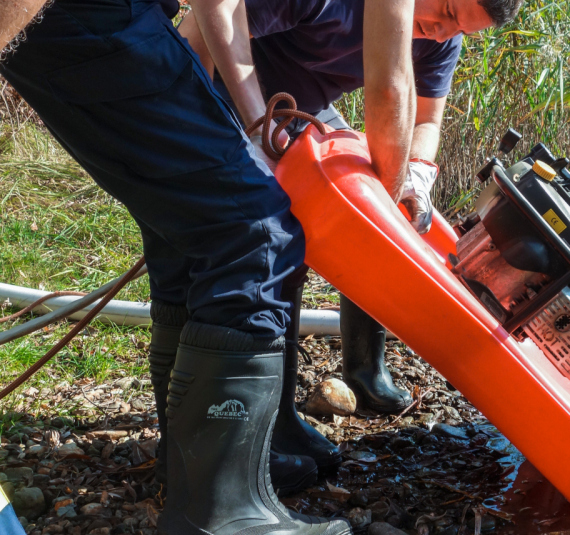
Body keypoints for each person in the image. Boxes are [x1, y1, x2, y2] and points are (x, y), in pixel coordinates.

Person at [0, 0, 354, 533]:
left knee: (187, 231)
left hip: (78, 26)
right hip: (86, 19)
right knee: (253, 233)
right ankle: (224, 511)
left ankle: (198, 468)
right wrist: (255, 123)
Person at [178, 0, 524, 473]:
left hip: (308, 107)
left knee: (383, 215)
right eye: (446, 11)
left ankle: (364, 371)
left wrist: (416, 175)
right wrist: (236, 125)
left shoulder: (442, 37)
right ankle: (271, 413)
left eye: (460, 30)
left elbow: (425, 120)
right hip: (236, 91)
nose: (442, 33)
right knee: (277, 233)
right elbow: (203, 25)